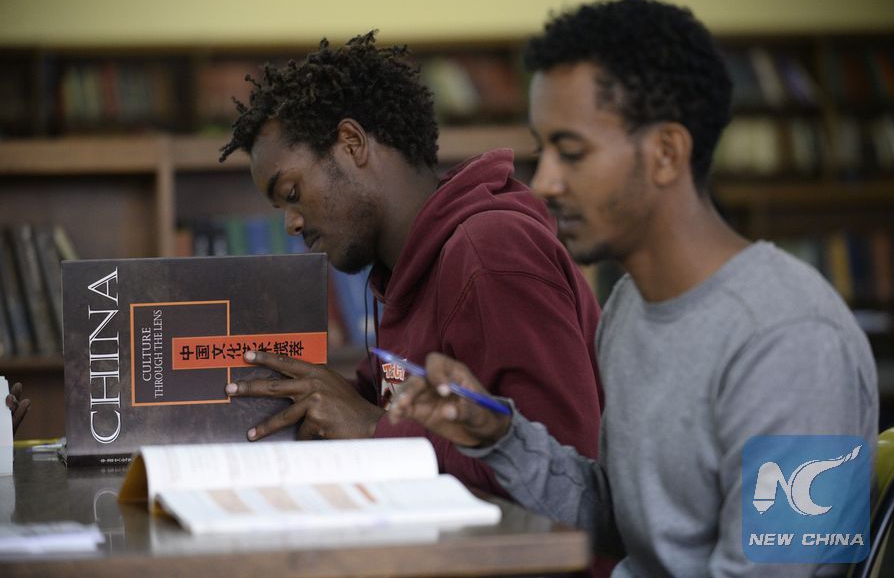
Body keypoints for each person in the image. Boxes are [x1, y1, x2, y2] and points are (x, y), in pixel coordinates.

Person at [389, 0, 878, 578]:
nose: (544, 182)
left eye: (571, 153)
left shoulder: (793, 339)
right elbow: (624, 520)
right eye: (544, 151)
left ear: (666, 153)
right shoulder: (630, 308)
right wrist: (498, 436)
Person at [218, 32, 604, 498]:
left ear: (351, 143)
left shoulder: (490, 251)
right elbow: (378, 404)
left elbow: (567, 470)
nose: (292, 224)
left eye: (292, 193)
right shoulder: (402, 275)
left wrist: (374, 431)